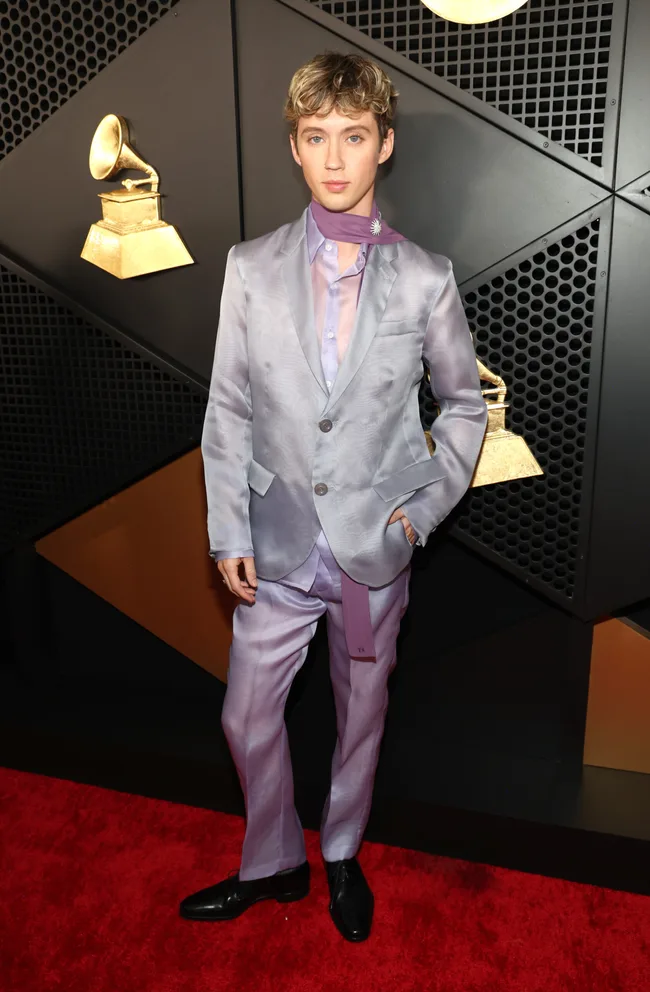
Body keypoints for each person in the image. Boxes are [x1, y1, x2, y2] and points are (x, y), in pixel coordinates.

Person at [179, 51, 487, 942]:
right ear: (295, 147)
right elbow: (229, 408)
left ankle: (343, 850)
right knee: (245, 715)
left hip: (372, 550)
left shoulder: (425, 276)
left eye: (354, 136)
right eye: (317, 137)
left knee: (362, 718)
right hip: (274, 545)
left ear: (383, 144)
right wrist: (227, 527)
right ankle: (274, 860)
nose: (335, 157)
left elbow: (465, 407)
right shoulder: (250, 267)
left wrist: (417, 512)